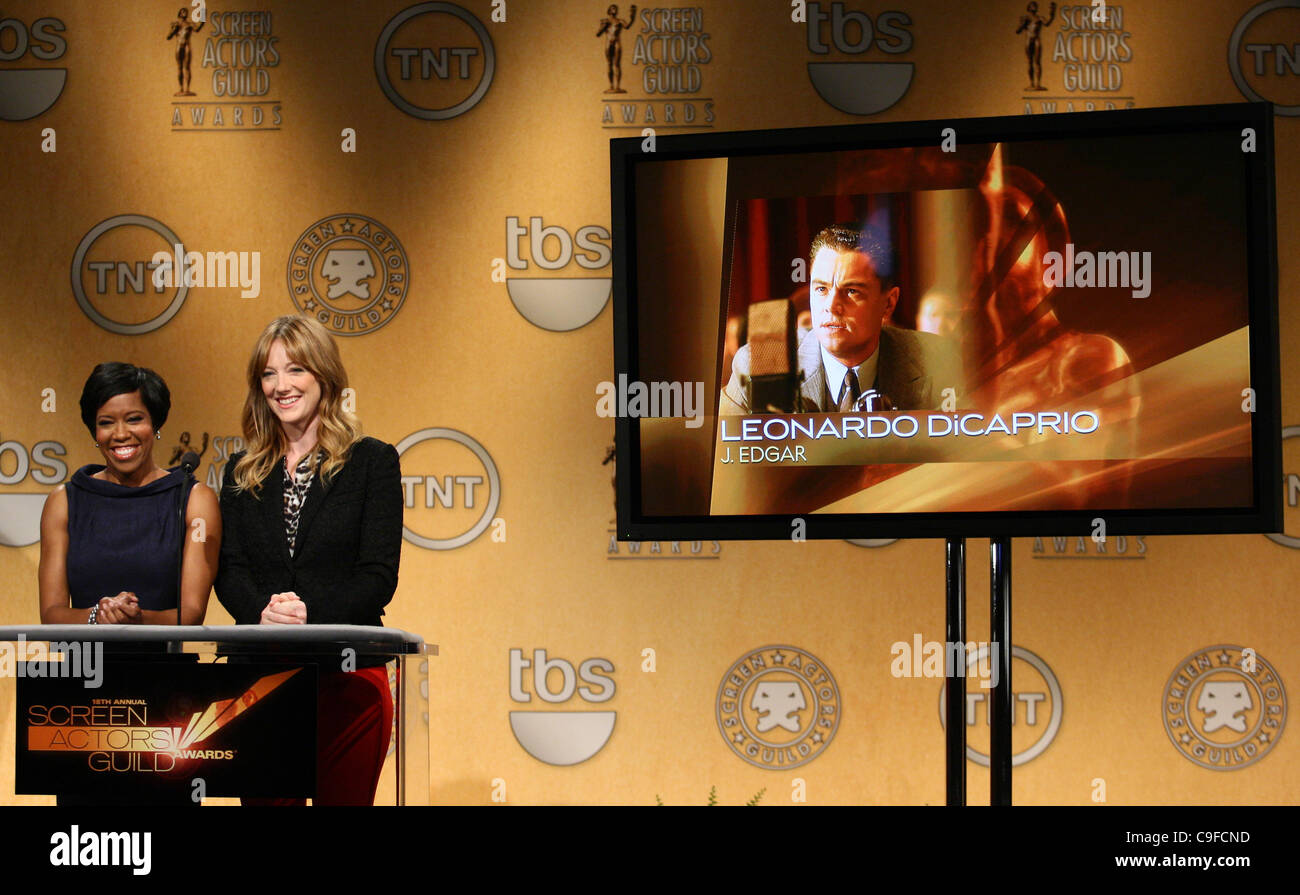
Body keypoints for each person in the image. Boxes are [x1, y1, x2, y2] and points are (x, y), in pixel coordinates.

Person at [215, 315, 402, 806]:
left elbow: (377, 576)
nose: (282, 386)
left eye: (295, 370)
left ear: (324, 376)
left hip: (348, 680)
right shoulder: (240, 471)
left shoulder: (372, 462)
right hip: (261, 682)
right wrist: (263, 612)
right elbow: (229, 570)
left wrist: (308, 613)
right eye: (269, 374)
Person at [39, 362, 220, 627]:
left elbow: (191, 613)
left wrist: (136, 620)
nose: (121, 434)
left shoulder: (193, 499)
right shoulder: (64, 501)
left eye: (134, 419)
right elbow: (51, 613)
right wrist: (97, 616)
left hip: (163, 666)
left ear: (155, 424)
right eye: (106, 423)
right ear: (95, 432)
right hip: (85, 666)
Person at [720, 224, 963, 414]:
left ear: (888, 303)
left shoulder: (937, 361)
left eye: (852, 291)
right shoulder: (758, 365)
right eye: (821, 289)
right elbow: (727, 461)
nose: (832, 307)